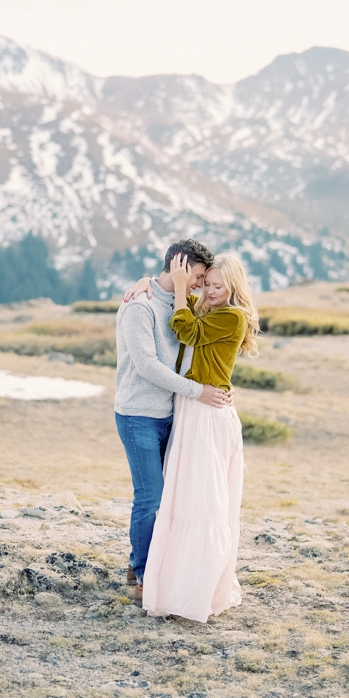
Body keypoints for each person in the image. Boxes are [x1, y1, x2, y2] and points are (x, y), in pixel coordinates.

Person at [141, 253, 259, 622]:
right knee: (185, 501)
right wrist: (144, 284)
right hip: (193, 409)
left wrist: (180, 290)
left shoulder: (231, 315)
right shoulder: (208, 308)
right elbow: (175, 304)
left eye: (217, 286)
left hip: (208, 415)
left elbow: (185, 330)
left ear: (233, 288)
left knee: (202, 505)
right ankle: (176, 587)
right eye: (205, 284)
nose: (208, 292)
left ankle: (196, 593)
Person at [114, 239, 233, 598]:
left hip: (173, 414)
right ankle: (143, 574)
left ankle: (148, 562)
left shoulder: (186, 304)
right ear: (179, 266)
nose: (200, 283)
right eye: (197, 275)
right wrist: (198, 392)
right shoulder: (140, 307)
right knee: (150, 495)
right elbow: (147, 365)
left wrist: (217, 385)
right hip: (139, 414)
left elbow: (204, 347)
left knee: (170, 498)